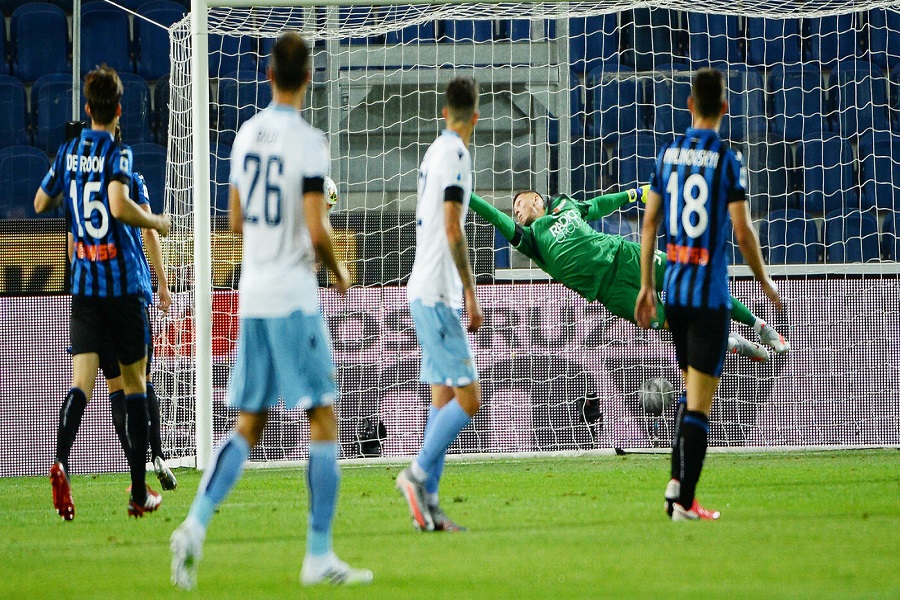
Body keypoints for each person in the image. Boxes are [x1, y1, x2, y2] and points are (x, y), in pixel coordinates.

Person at [169, 32, 372, 590]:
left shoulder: (244, 136)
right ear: (308, 78)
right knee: (323, 416)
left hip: (252, 295)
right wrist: (340, 272)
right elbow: (316, 229)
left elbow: (235, 220)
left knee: (248, 423)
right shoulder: (308, 141)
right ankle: (318, 555)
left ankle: (194, 525)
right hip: (291, 295)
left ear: (267, 75)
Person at [635, 67, 783, 521]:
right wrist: (763, 281)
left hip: (675, 294)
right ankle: (685, 502)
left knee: (689, 393)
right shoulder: (726, 158)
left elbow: (649, 223)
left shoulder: (667, 154)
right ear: (724, 107)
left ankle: (676, 484)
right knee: (700, 404)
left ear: (688, 105)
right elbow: (742, 230)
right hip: (709, 298)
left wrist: (646, 285)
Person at [34, 65, 171, 520]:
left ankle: (60, 460)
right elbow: (117, 205)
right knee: (135, 385)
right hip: (122, 286)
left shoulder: (68, 152)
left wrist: (72, 192)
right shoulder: (119, 154)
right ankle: (139, 490)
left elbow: (40, 201)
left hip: (84, 287)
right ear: (119, 110)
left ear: (88, 107)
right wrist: (156, 222)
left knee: (82, 384)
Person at [468, 186, 789, 362]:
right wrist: (464, 194)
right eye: (514, 210)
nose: (516, 211)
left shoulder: (565, 205)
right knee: (674, 324)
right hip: (611, 291)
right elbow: (494, 216)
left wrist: (634, 195)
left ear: (536, 199)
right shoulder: (530, 239)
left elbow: (598, 204)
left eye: (519, 204)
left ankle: (760, 327)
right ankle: (730, 342)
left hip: (626, 256)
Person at [395, 75, 483, 533]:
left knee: (443, 398)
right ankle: (416, 474)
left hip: (422, 288)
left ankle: (428, 504)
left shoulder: (433, 151)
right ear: (476, 116)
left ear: (445, 112)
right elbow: (452, 226)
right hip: (437, 292)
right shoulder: (457, 156)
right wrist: (470, 290)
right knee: (470, 398)